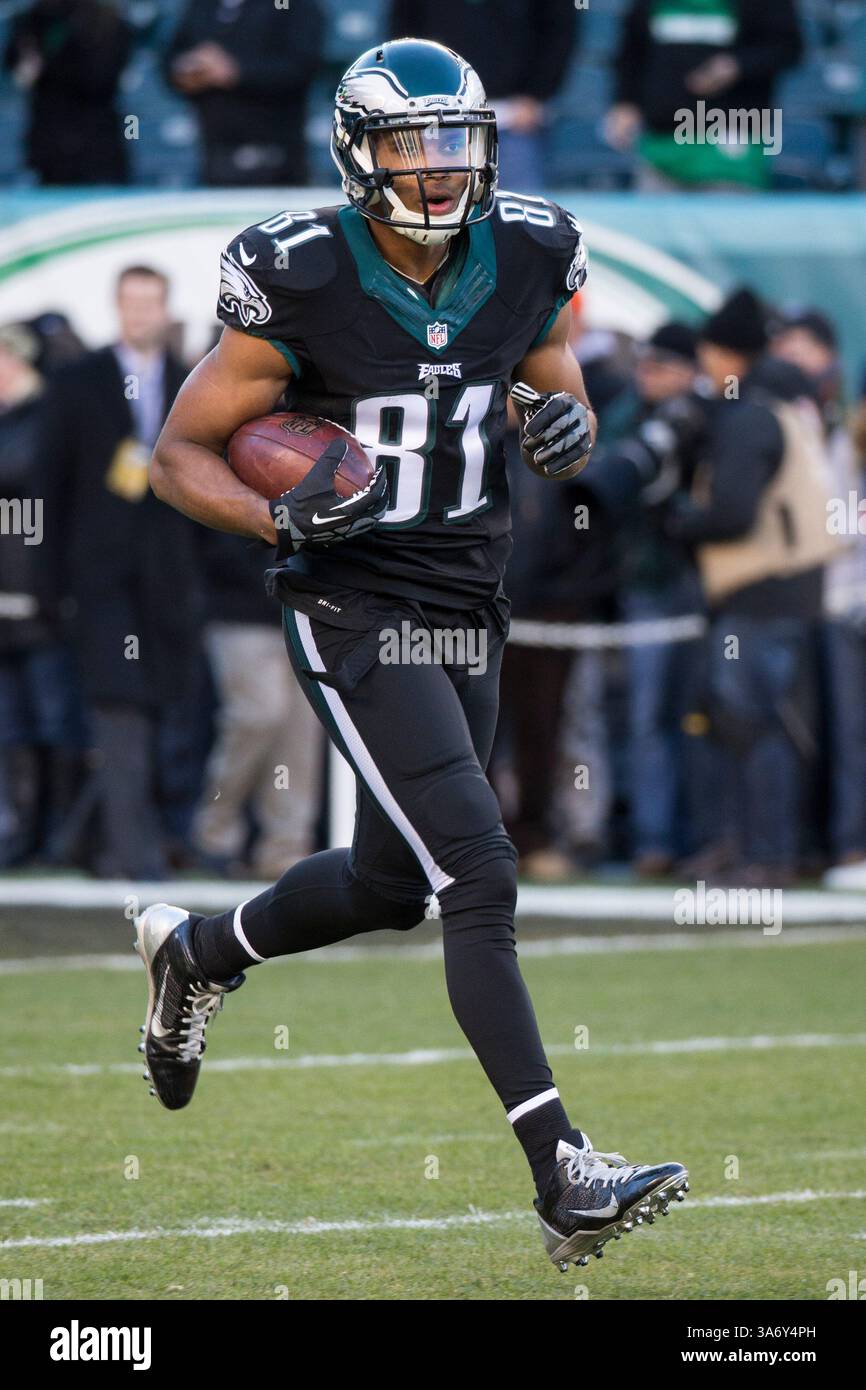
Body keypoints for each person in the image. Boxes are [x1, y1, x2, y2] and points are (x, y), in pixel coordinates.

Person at [139, 38, 688, 1273]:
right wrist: (282, 512)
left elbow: (557, 392)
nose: (438, 174)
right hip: (348, 596)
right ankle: (563, 1174)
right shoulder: (299, 272)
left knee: (395, 882)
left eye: (456, 146)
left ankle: (198, 954)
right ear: (356, 152)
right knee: (477, 870)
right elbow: (181, 455)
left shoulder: (532, 249)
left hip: (468, 590)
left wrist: (562, 426)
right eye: (410, 148)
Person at [666, 290, 838, 884]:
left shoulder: (750, 417)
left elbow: (734, 514)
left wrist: (678, 521)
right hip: (784, 589)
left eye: (709, 352)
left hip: (761, 590)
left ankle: (768, 854)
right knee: (755, 724)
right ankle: (751, 847)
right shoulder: (780, 404)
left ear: (725, 353)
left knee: (754, 724)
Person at [38, 267, 203, 879]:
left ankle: (88, 839)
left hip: (170, 582)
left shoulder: (193, 380)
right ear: (118, 307)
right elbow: (49, 486)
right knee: (118, 704)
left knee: (159, 710)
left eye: (151, 303)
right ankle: (132, 853)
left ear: (164, 308)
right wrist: (49, 585)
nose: (141, 314)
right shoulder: (79, 381)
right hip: (99, 580)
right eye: (132, 303)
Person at [0, 324, 84, 866]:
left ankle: (56, 833)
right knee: (13, 724)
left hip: (39, 596)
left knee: (52, 717)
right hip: (12, 598)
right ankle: (23, 830)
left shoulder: (47, 418)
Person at [193, 529, 324, 880]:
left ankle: (285, 848)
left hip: (305, 612)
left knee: (301, 733)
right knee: (257, 717)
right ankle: (215, 832)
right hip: (242, 611)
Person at [605, 0, 802, 191]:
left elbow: (786, 46)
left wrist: (736, 65)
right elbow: (633, 48)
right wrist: (626, 101)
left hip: (731, 145)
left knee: (731, 220)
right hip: (661, 143)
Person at [387, 0, 578, 191]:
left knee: (519, 205)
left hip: (512, 116)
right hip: (437, 114)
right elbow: (403, 36)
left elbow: (558, 29)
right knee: (435, 203)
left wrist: (536, 95)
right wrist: (417, 92)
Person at [165, 0, 325, 186]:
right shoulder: (202, 5)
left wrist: (234, 71)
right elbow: (171, 60)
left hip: (277, 158)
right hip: (214, 154)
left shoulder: (294, 5)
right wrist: (189, 69)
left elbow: (301, 69)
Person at [3, 0, 131, 185]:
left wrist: (45, 70)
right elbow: (14, 63)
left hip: (96, 144)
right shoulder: (32, 19)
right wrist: (24, 67)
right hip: (48, 142)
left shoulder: (108, 21)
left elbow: (100, 79)